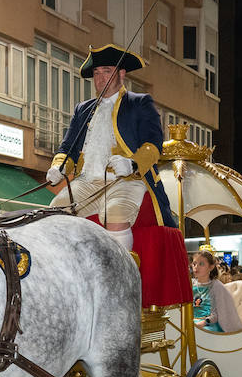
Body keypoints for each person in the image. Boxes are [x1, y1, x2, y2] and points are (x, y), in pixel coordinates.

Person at [46, 43, 190, 310]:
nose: (100, 78)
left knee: (116, 216)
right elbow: (67, 147)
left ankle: (117, 288)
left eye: (107, 71)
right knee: (53, 213)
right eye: (97, 73)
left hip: (126, 180)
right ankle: (68, 281)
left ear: (122, 74)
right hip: (87, 180)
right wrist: (59, 167)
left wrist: (133, 164)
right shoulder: (83, 109)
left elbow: (153, 144)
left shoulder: (139, 103)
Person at [190, 250, 242, 333]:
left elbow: (217, 313)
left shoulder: (216, 286)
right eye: (194, 264)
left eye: (201, 264)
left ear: (211, 267)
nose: (196, 267)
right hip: (191, 322)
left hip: (208, 324)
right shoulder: (190, 284)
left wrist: (203, 322)